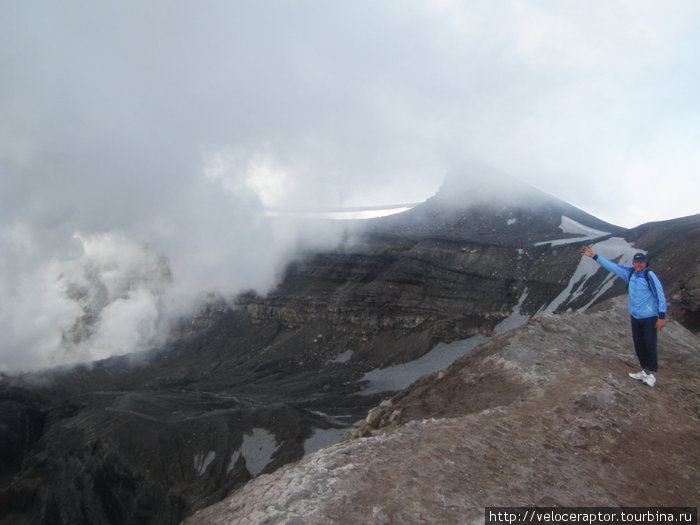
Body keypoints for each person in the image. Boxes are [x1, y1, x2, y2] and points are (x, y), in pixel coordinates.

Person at [581, 246, 666, 387]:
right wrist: (595, 256)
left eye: (641, 263)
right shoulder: (631, 274)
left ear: (646, 264)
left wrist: (661, 316)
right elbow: (613, 267)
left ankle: (651, 374)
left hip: (649, 316)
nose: (638, 265)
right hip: (635, 316)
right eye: (636, 262)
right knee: (639, 344)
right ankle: (644, 371)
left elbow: (660, 294)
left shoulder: (649, 275)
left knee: (649, 344)